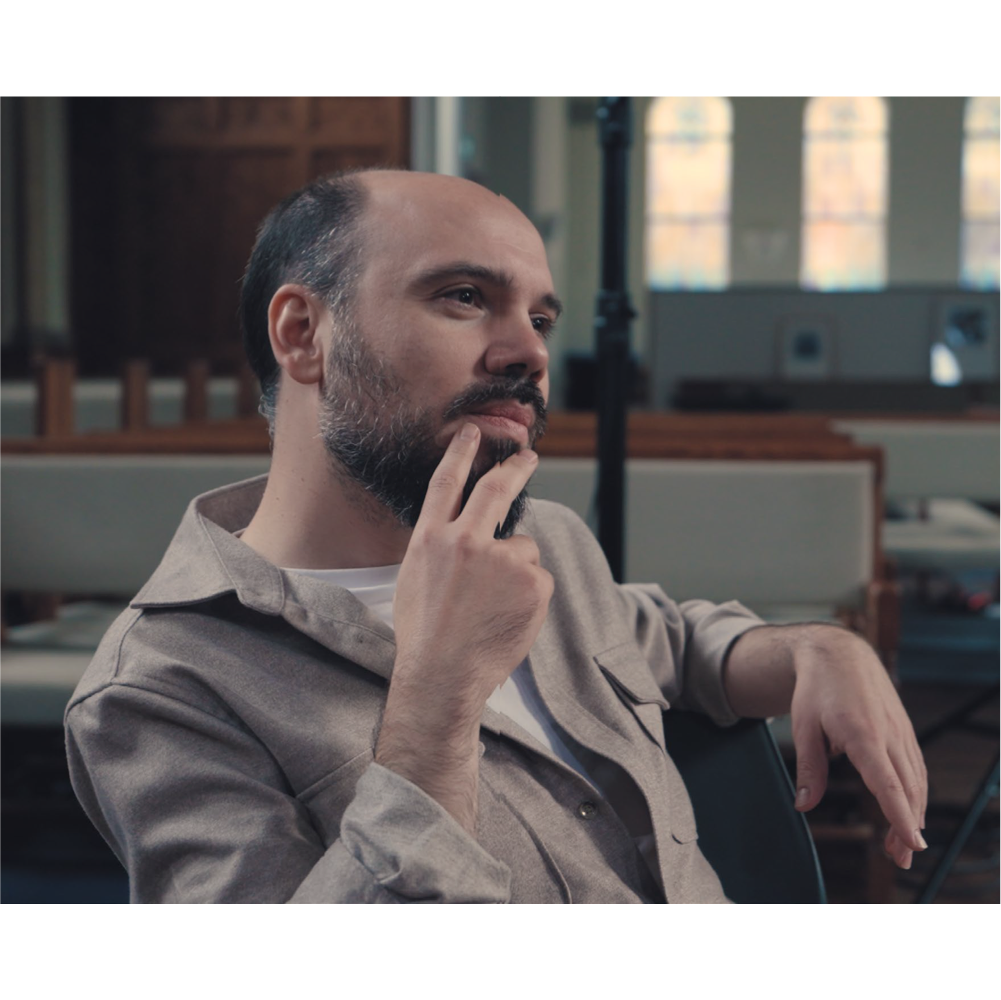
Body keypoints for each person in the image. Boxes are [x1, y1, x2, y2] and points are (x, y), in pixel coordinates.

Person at [66, 169, 928, 903]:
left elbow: (669, 641)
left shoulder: (543, 543)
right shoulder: (162, 689)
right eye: (464, 297)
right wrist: (436, 701)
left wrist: (815, 649)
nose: (529, 353)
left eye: (541, 319)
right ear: (304, 335)